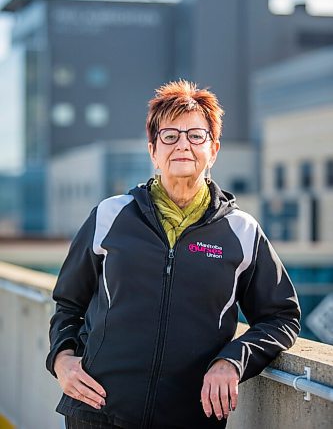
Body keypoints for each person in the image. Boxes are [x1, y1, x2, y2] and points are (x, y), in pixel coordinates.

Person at [46, 80, 300, 429]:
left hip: (190, 417)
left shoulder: (242, 232)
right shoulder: (110, 215)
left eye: (196, 135)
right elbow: (68, 303)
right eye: (170, 136)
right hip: (97, 411)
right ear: (153, 150)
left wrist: (233, 360)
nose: (183, 144)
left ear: (214, 150)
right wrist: (61, 358)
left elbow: (281, 316)